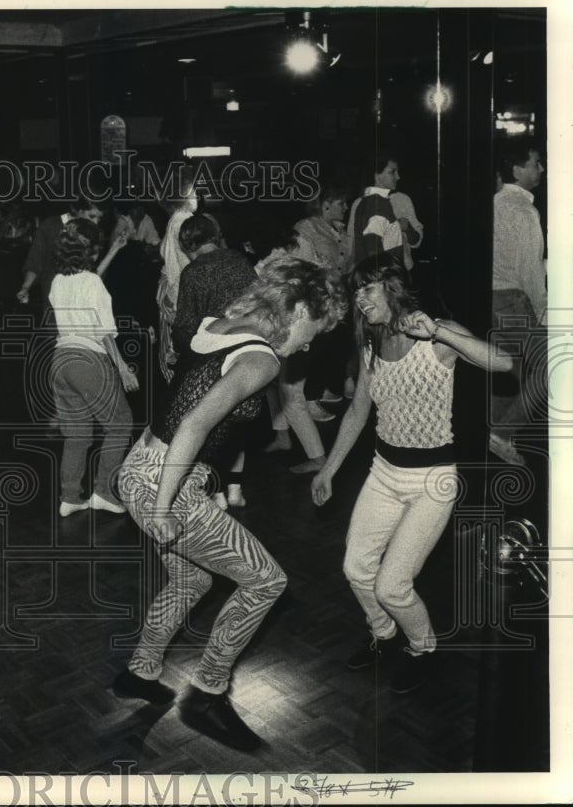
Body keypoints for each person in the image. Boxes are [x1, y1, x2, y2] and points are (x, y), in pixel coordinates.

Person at [112, 259, 347, 751]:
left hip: (140, 468)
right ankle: (208, 692)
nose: (309, 345)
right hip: (167, 484)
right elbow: (194, 424)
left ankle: (140, 671)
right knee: (267, 581)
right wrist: (163, 507)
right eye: (314, 330)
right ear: (298, 310)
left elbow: (183, 403)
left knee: (192, 580)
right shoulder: (261, 360)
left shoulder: (219, 326)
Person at [311, 255, 512, 694]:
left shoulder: (435, 334)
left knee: (392, 585)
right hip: (384, 473)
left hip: (432, 482)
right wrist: (328, 468)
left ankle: (423, 648)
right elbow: (358, 412)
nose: (359, 299)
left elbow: (502, 363)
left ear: (393, 287)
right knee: (356, 568)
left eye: (367, 288)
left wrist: (439, 331)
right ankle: (384, 634)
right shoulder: (371, 344)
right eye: (356, 291)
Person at [48, 219, 137, 517]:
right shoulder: (92, 283)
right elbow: (105, 331)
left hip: (60, 361)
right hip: (89, 360)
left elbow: (87, 281)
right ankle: (103, 494)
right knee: (120, 423)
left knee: (77, 433)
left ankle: (69, 497)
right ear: (91, 249)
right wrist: (122, 367)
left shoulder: (59, 281)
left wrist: (114, 250)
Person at [172, 213, 258, 508]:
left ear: (187, 245)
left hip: (214, 354)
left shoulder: (193, 272)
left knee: (212, 424)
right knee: (239, 422)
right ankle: (236, 490)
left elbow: (186, 326)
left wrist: (179, 349)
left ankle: (216, 491)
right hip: (248, 349)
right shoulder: (240, 260)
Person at [490, 142, 547, 467]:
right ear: (517, 170)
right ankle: (501, 432)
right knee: (552, 369)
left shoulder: (493, 203)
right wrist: (542, 310)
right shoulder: (524, 211)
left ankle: (494, 436)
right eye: (535, 163)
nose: (541, 169)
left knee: (507, 369)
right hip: (513, 300)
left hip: (490, 300)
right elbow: (530, 270)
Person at [16, 196, 104, 312]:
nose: (95, 222)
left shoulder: (92, 232)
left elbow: (93, 271)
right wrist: (26, 287)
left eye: (99, 219)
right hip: (54, 298)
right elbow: (35, 260)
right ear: (78, 210)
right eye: (92, 216)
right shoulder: (50, 226)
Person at [155, 169, 199, 383]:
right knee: (180, 352)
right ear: (182, 196)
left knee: (174, 350)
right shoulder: (184, 221)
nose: (197, 196)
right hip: (177, 294)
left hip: (171, 291)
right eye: (193, 192)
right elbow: (189, 266)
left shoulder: (175, 220)